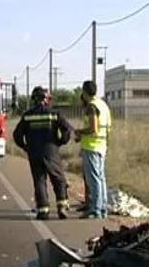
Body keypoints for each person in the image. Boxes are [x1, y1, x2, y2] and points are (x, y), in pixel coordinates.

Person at [12, 86, 73, 220]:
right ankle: (62, 207)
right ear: (47, 99)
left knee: (39, 181)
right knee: (58, 179)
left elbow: (17, 135)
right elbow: (67, 130)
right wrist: (60, 142)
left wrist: (25, 147)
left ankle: (43, 211)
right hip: (51, 152)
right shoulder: (54, 114)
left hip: (34, 153)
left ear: (34, 99)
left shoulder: (27, 115)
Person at [75, 80, 112, 218]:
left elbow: (93, 128)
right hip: (101, 145)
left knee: (94, 179)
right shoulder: (103, 105)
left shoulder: (92, 107)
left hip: (91, 146)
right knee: (100, 178)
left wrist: (80, 132)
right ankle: (102, 208)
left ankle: (95, 209)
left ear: (84, 92)